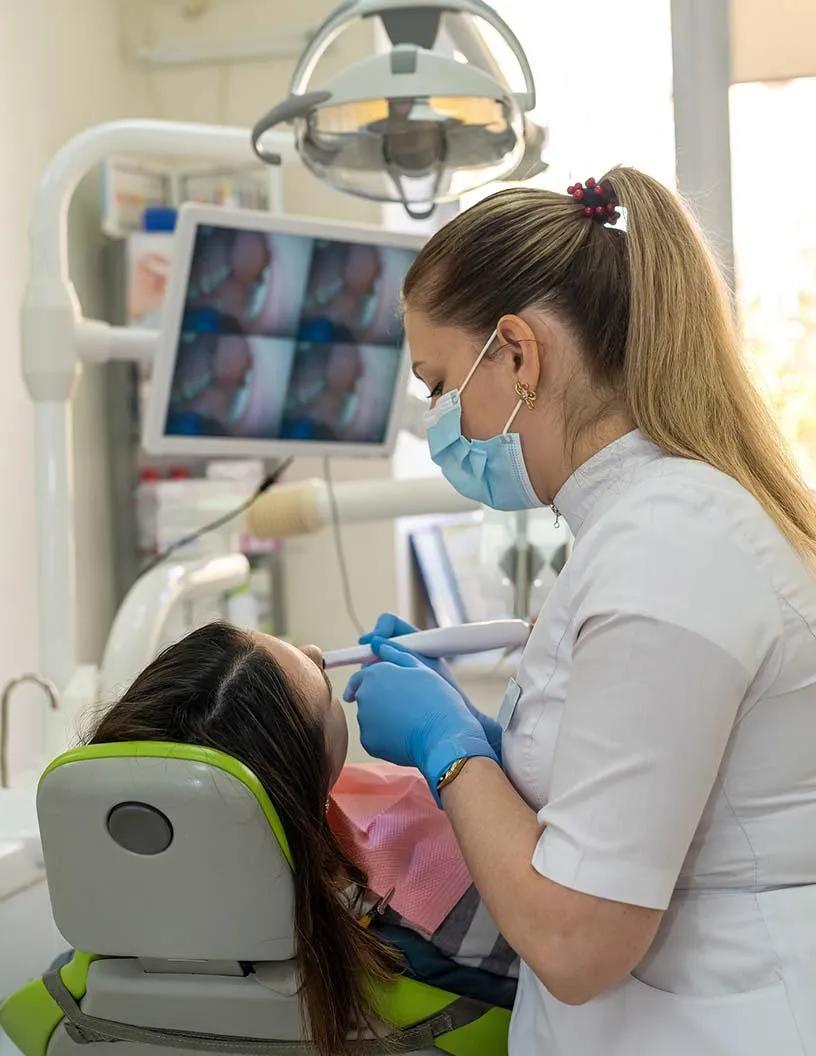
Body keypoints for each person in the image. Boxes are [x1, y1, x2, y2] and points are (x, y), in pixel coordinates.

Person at [344, 169, 816, 1055]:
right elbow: (621, 785)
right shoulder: (644, 526)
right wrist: (486, 740)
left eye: (439, 385)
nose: (441, 420)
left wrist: (452, 754)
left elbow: (576, 940)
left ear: (519, 355)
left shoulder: (670, 550)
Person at [85, 623, 518, 1056]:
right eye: (327, 695)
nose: (313, 650)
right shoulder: (442, 901)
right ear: (312, 774)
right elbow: (550, 910)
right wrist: (460, 744)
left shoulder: (113, 945)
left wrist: (481, 743)